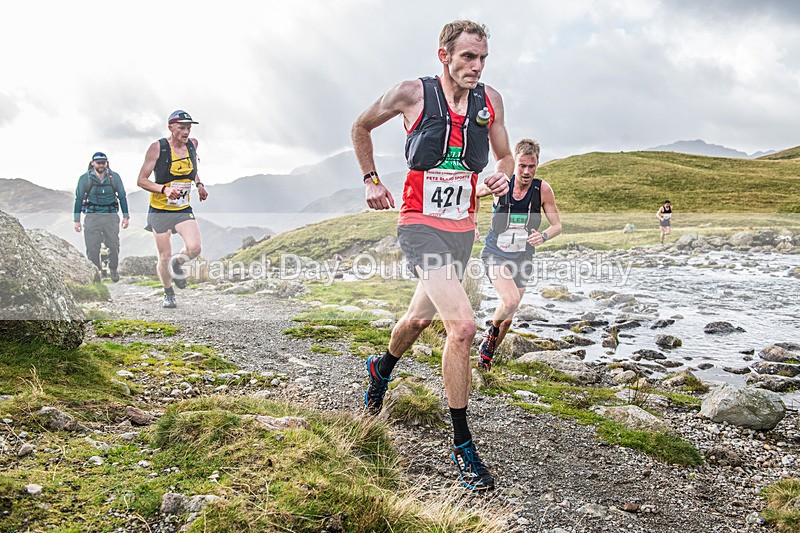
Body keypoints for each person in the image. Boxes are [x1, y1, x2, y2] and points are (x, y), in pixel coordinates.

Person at [352, 20, 512, 491]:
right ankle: (463, 445)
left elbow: (502, 155)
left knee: (417, 320)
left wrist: (500, 175)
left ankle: (380, 367)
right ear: (443, 56)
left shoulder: (491, 101)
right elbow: (360, 126)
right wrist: (370, 180)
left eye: (482, 58)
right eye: (467, 57)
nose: (476, 67)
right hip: (419, 225)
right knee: (462, 326)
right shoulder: (411, 93)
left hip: (461, 229)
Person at [477, 139, 562, 370]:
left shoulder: (542, 190)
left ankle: (486, 360)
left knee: (508, 320)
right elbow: (474, 194)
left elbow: (557, 225)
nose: (526, 172)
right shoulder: (501, 184)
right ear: (515, 163)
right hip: (495, 253)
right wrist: (472, 224)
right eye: (522, 166)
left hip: (523, 257)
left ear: (537, 164)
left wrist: (543, 236)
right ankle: (490, 333)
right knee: (511, 300)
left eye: (531, 166)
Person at [136, 110, 208, 309]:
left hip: (182, 208)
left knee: (194, 248)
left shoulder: (193, 145)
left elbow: (192, 170)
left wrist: (199, 184)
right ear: (170, 127)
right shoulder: (157, 148)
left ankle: (178, 264)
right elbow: (141, 180)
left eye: (188, 128)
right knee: (164, 256)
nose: (186, 132)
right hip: (160, 210)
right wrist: (164, 190)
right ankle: (168, 292)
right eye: (182, 128)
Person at [73, 151, 129, 282]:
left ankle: (113, 269)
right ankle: (95, 274)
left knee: (114, 245)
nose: (101, 165)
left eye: (103, 162)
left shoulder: (114, 177)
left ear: (107, 163)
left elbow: (122, 196)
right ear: (92, 163)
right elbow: (79, 199)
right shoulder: (84, 179)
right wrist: (76, 220)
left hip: (110, 216)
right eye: (98, 162)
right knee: (92, 247)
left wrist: (126, 216)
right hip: (92, 216)